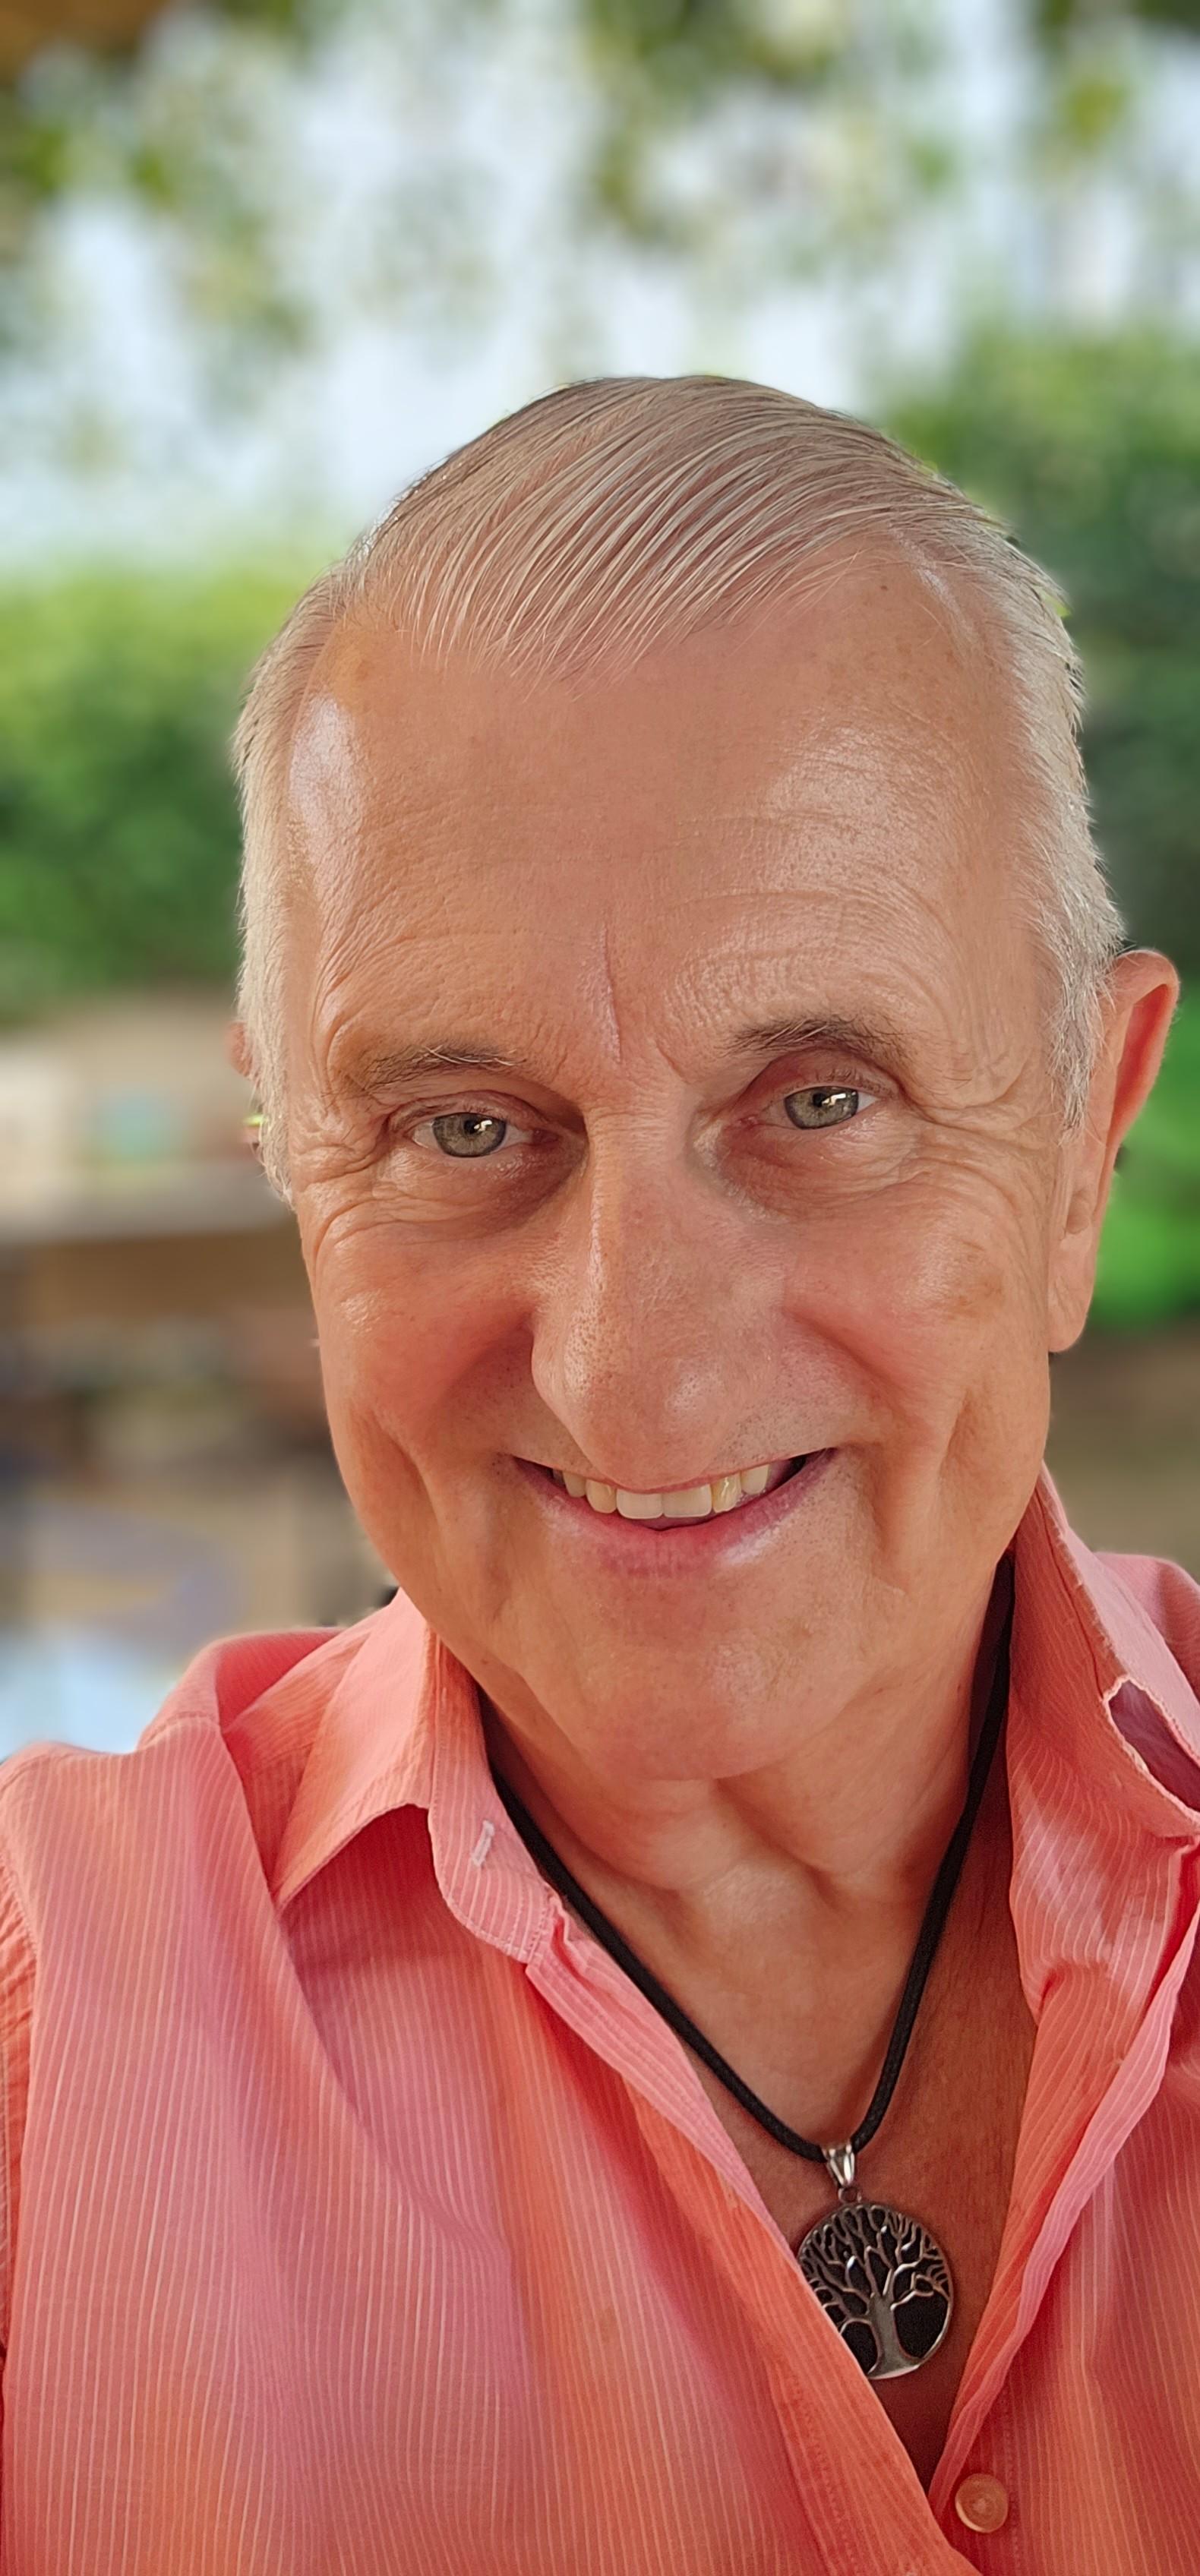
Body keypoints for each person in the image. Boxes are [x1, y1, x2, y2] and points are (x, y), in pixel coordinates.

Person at [1, 374, 1195, 2576]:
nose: (633, 1372)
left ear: (1077, 1150)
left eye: (819, 1103)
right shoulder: (44, 2037)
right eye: (463, 1128)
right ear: (295, 1165)